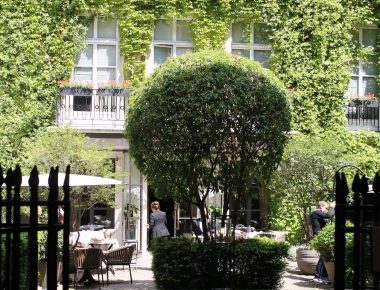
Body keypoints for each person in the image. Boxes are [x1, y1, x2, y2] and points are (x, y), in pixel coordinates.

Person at [310, 200, 335, 283]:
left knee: (324, 256)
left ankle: (321, 275)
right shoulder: (316, 212)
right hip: (319, 237)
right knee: (324, 255)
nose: (326, 210)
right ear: (321, 206)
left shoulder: (318, 214)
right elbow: (330, 215)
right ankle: (319, 275)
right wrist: (331, 207)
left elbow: (329, 216)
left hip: (320, 237)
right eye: (326, 207)